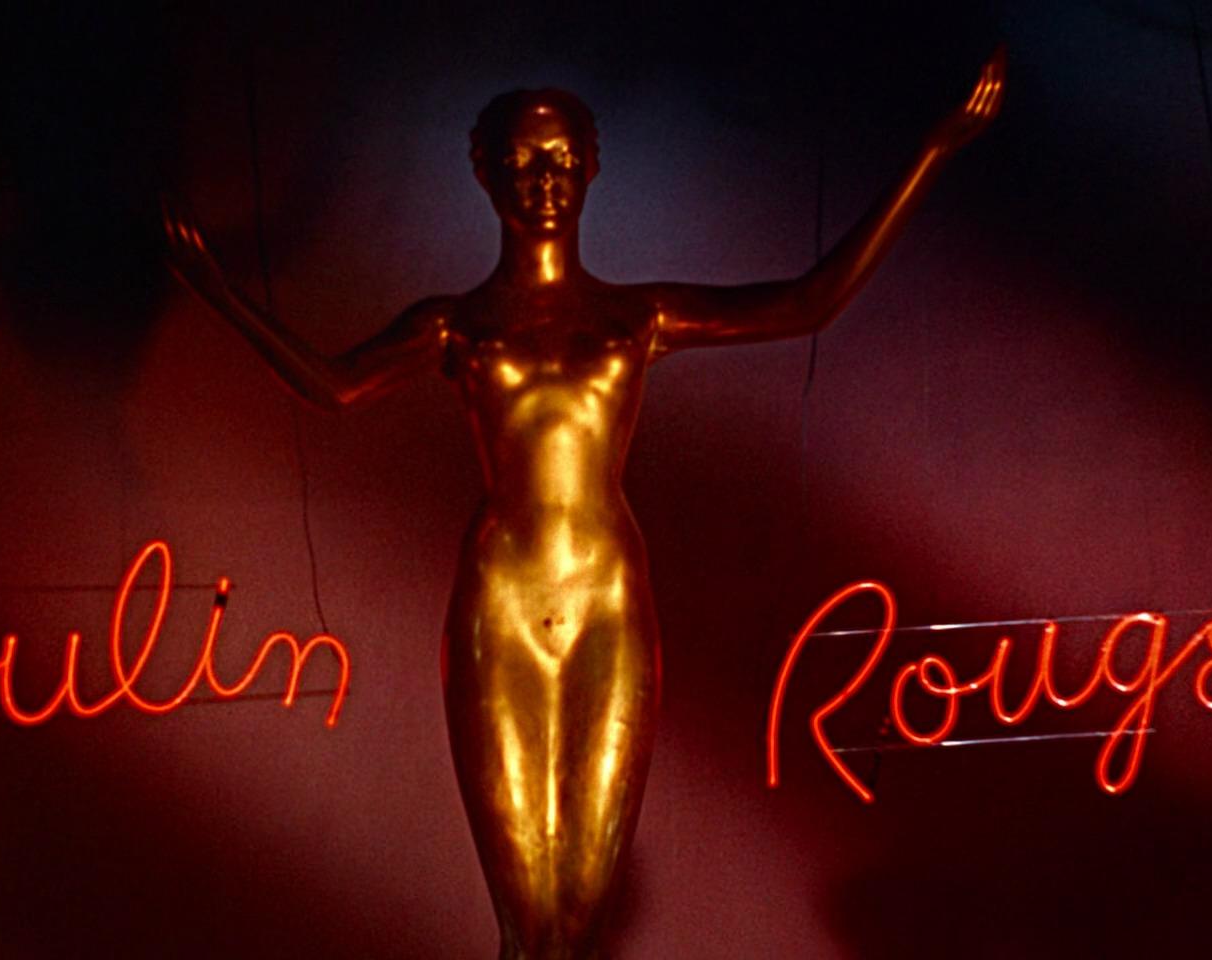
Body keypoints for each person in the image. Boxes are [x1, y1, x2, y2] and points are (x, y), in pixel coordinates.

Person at [162, 50, 1003, 958]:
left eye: (563, 158)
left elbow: (809, 302)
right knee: (528, 923)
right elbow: (334, 386)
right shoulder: (458, 324)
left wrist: (933, 152)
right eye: (524, 162)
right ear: (486, 175)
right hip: (501, 604)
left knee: (578, 919)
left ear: (593, 166)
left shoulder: (634, 318)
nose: (546, 180)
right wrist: (221, 294)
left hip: (608, 600)